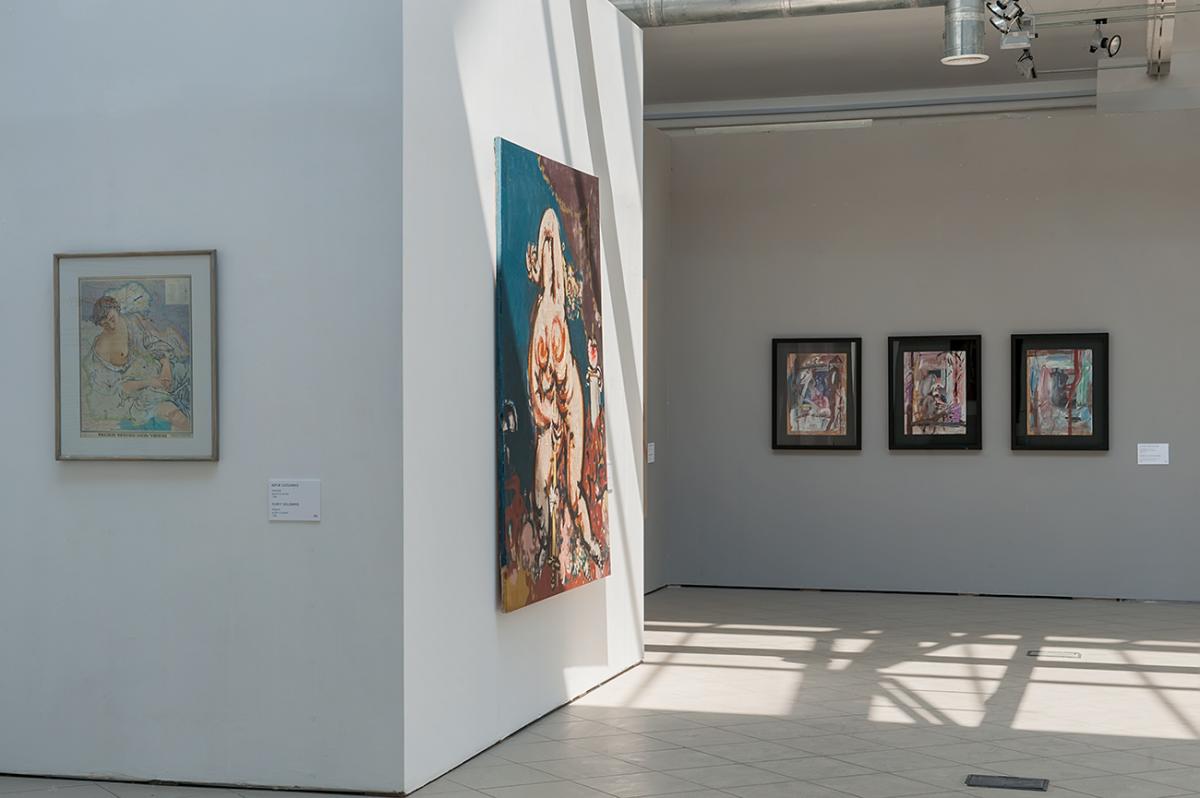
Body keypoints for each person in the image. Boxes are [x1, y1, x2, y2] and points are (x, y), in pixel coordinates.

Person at [81, 285, 191, 433]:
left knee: (189, 378)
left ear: (117, 310)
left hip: (155, 370)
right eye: (105, 325)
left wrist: (166, 367)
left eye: (112, 319)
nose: (111, 326)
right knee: (177, 416)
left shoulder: (133, 321)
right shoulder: (100, 350)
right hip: (137, 391)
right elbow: (116, 389)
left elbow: (154, 344)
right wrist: (151, 382)